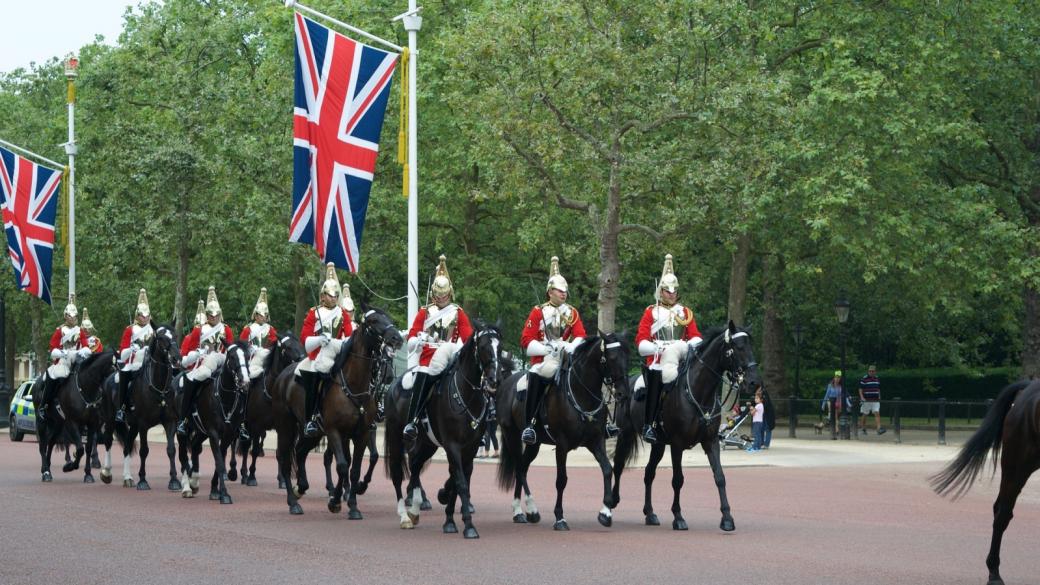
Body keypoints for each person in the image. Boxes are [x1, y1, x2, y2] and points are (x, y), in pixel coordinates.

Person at [403, 255, 474, 442]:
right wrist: (419, 339)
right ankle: (412, 420)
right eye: (438, 295)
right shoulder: (424, 312)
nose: (441, 298)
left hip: (451, 359)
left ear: (450, 293)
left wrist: (457, 347)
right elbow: (411, 338)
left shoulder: (458, 313)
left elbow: (468, 338)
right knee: (422, 378)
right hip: (428, 360)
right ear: (433, 294)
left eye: (445, 295)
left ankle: (476, 422)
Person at [634, 254, 703, 444]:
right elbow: (641, 343)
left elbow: (696, 337)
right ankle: (649, 425)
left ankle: (706, 420)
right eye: (667, 291)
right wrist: (659, 347)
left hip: (681, 358)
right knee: (656, 379)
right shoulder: (651, 312)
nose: (672, 294)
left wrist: (686, 345)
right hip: (658, 360)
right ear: (661, 291)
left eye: (674, 291)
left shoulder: (685, 312)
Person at [519, 256, 587, 445]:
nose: (563, 294)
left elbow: (581, 334)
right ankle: (529, 425)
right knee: (537, 375)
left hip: (566, 357)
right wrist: (546, 348)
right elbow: (526, 340)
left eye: (565, 291)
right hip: (543, 359)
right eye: (559, 290)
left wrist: (571, 345)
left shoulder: (572, 312)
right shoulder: (538, 311)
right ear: (550, 292)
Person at [298, 263, 354, 438]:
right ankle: (311, 418)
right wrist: (320, 339)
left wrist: (340, 341)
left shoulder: (342, 313)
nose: (334, 298)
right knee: (315, 374)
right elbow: (305, 339)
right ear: (322, 296)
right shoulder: (314, 313)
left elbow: (349, 335)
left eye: (336, 295)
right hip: (317, 356)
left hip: (337, 353)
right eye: (331, 295)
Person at [177, 286, 235, 436]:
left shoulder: (226, 329)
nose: (214, 317)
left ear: (220, 315)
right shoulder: (199, 330)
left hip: (222, 362)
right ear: (207, 315)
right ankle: (183, 419)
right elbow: (188, 351)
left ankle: (241, 422)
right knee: (191, 382)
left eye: (216, 315)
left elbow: (230, 348)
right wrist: (197, 353)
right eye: (210, 315)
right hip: (203, 364)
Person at [38, 294, 91, 421]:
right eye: (69, 316)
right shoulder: (59, 331)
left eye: (74, 316)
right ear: (65, 316)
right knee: (54, 377)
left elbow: (86, 347)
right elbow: (53, 350)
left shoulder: (80, 331)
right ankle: (44, 405)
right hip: (63, 360)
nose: (72, 319)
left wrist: (83, 351)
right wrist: (63, 353)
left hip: (77, 360)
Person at [238, 287, 278, 440]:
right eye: (260, 315)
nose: (262, 317)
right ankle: (243, 413)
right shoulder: (248, 329)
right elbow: (242, 346)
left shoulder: (271, 330)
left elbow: (274, 345)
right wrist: (251, 349)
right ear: (255, 315)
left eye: (265, 315)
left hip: (266, 360)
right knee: (247, 381)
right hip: (253, 362)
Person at [115, 289, 155, 424]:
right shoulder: (130, 329)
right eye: (142, 315)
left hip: (150, 361)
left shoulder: (153, 329)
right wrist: (132, 349)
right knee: (124, 377)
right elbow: (122, 352)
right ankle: (121, 408)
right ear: (137, 316)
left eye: (146, 315)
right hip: (134, 363)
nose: (144, 318)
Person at [859, 364, 886, 435]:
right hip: (866, 400)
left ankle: (879, 429)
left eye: (872, 371)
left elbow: (878, 388)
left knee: (877, 413)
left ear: (875, 372)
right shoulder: (864, 379)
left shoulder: (877, 379)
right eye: (870, 371)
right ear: (868, 371)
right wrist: (862, 397)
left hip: (875, 399)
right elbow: (860, 389)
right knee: (865, 414)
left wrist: (879, 396)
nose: (871, 372)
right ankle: (863, 428)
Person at [821, 371, 845, 440]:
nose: (837, 379)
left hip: (837, 401)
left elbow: (841, 396)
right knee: (834, 416)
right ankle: (837, 430)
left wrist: (840, 404)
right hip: (830, 401)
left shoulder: (840, 387)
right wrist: (823, 403)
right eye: (836, 377)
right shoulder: (830, 386)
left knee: (836, 417)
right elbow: (827, 395)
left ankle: (832, 426)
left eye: (839, 378)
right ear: (834, 378)